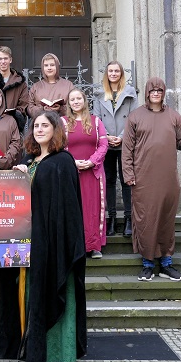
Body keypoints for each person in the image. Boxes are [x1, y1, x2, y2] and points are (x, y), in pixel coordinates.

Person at [13, 111, 86, 362]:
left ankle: (56, 358)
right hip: (32, 244)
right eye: (36, 126)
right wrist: (19, 175)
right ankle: (36, 354)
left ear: (56, 130)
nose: (39, 129)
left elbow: (67, 210)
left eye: (45, 125)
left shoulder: (62, 161)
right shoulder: (30, 160)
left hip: (56, 245)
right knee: (35, 298)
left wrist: (60, 244)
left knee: (55, 297)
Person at [121, 77, 181, 282]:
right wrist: (128, 174)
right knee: (146, 220)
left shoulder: (174, 116)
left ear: (163, 93)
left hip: (167, 179)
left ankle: (166, 264)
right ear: (147, 93)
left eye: (159, 90)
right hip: (143, 178)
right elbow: (127, 149)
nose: (156, 93)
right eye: (152, 90)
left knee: (166, 220)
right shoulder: (135, 116)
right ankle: (147, 264)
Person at [93, 60, 138, 237]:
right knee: (109, 181)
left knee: (126, 180)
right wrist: (106, 137)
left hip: (124, 142)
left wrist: (120, 136)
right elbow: (96, 119)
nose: (113, 74)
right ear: (107, 74)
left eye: (116, 71)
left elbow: (133, 118)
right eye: (110, 71)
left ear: (121, 74)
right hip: (106, 143)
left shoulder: (130, 93)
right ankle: (111, 218)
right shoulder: (99, 95)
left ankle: (128, 218)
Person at [64, 88, 108, 259]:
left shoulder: (96, 122)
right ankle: (75, 246)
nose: (75, 102)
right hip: (72, 172)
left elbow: (103, 145)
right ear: (69, 103)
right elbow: (59, 146)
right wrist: (72, 162)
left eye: (78, 99)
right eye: (72, 99)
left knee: (93, 208)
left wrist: (91, 161)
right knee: (74, 209)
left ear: (84, 101)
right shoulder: (63, 122)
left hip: (93, 173)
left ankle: (94, 245)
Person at [26, 53, 74, 119]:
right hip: (42, 123)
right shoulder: (36, 87)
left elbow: (73, 105)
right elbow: (29, 106)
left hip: (63, 122)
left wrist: (60, 108)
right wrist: (42, 109)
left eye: (52, 65)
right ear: (43, 68)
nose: (49, 68)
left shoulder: (68, 85)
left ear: (57, 66)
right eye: (46, 65)